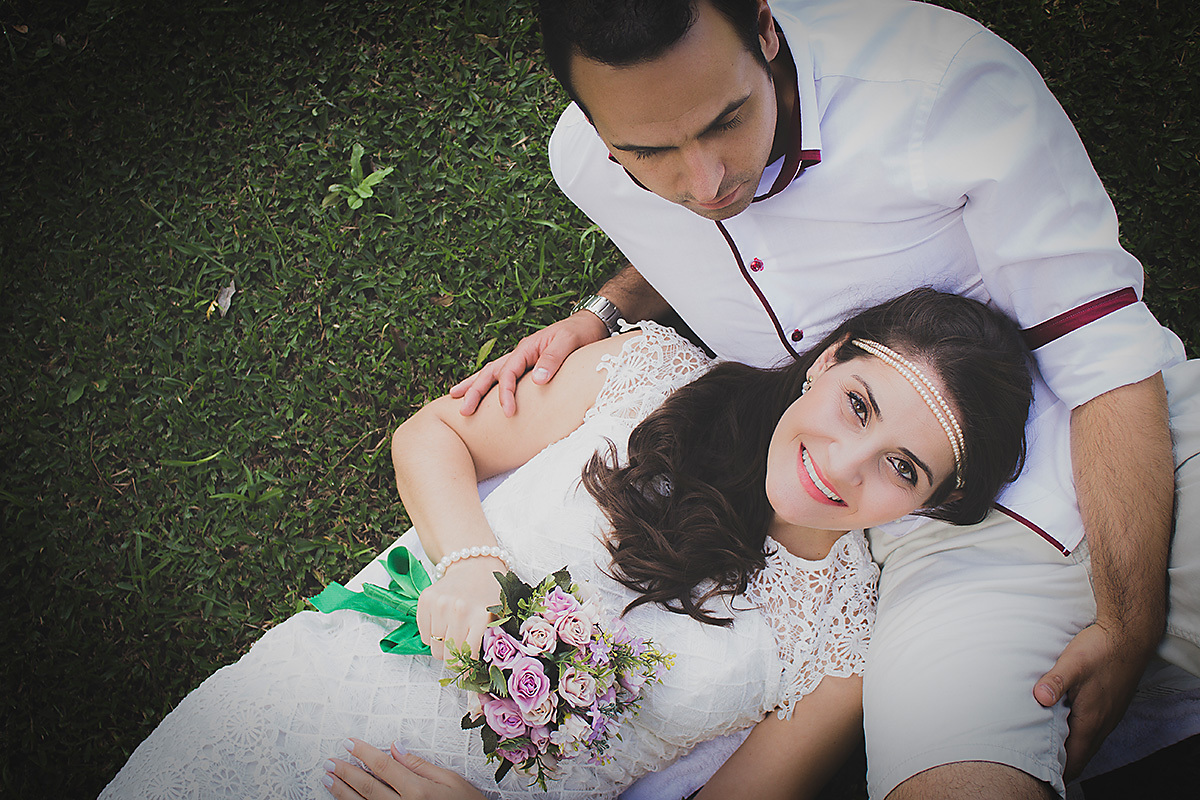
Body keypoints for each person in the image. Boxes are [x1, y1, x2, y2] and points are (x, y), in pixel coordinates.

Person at [449, 1, 1199, 798]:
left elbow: (1107, 363)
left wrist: (1127, 621)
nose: (705, 182)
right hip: (920, 541)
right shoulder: (586, 164)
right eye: (650, 151)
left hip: (1138, 438)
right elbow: (696, 242)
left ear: (765, 30)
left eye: (727, 120)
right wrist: (600, 311)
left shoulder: (939, 84)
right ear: (599, 129)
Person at [99, 289, 1034, 800]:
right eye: (857, 404)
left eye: (902, 468)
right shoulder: (650, 374)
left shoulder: (846, 647)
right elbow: (436, 436)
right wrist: (472, 563)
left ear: (933, 501)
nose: (845, 463)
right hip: (304, 703)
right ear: (829, 360)